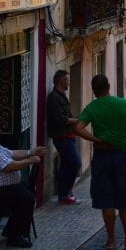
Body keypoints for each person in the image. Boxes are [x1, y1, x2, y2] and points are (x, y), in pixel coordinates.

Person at [74, 75, 126, 250]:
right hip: (121, 156)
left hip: (102, 157)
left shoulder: (92, 108)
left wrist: (95, 139)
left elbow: (78, 128)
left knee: (107, 201)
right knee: (124, 199)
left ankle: (111, 240)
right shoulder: (124, 104)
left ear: (93, 90)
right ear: (109, 86)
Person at [0, 118, 47, 248]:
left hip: (3, 188)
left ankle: (13, 231)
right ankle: (15, 237)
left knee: (27, 194)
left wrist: (30, 152)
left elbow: (11, 154)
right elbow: (9, 166)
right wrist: (30, 160)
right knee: (26, 198)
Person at [46, 70, 80, 205]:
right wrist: (74, 121)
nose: (69, 82)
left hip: (68, 136)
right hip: (62, 137)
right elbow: (58, 119)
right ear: (61, 81)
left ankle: (64, 194)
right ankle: (65, 193)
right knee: (75, 163)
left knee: (66, 165)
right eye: (67, 80)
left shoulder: (61, 96)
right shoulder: (54, 98)